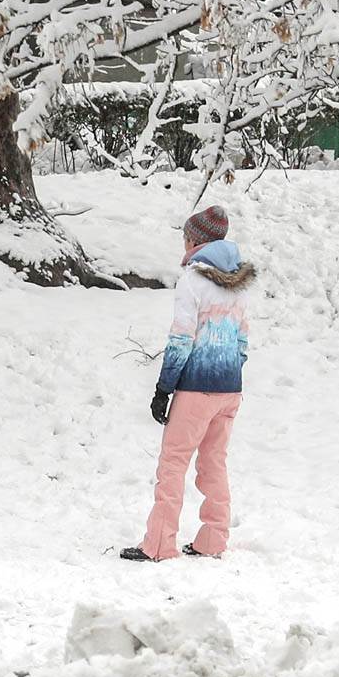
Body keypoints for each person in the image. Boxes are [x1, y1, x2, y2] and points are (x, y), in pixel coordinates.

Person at [121, 205, 255, 562]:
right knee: (214, 462)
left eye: (185, 237)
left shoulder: (193, 280)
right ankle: (213, 539)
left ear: (195, 240)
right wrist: (229, 371)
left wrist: (164, 389)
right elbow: (242, 341)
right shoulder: (239, 285)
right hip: (230, 388)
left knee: (173, 463)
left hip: (196, 387)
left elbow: (181, 339)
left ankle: (160, 544)